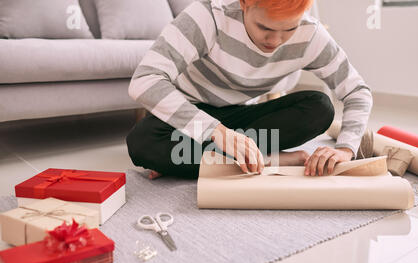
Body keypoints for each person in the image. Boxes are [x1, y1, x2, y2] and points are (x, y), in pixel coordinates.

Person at [126, 0, 373, 180]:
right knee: (142, 142)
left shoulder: (311, 34)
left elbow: (357, 91)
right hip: (193, 115)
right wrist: (217, 133)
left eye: (288, 30)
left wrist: (345, 149)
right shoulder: (209, 16)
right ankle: (272, 159)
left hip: (243, 122)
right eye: (265, 28)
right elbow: (145, 80)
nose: (275, 41)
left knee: (320, 107)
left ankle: (191, 161)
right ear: (244, 3)